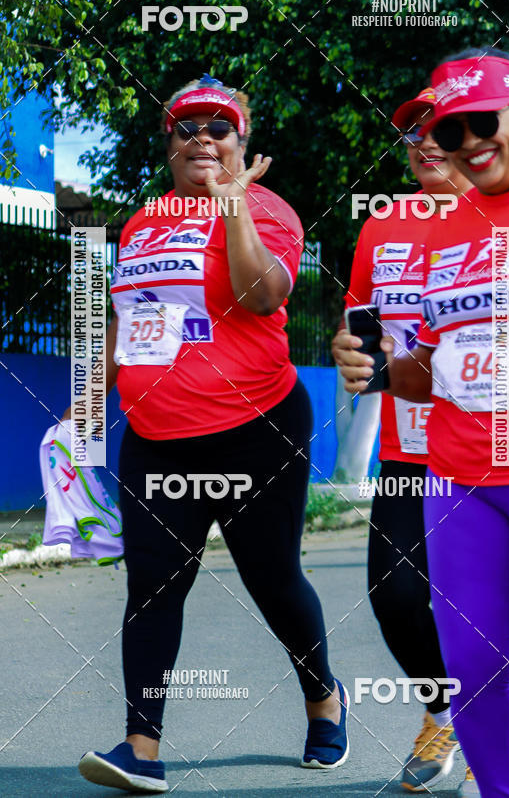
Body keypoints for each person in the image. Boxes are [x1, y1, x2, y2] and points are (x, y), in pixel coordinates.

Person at [335, 47, 509, 798]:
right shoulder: (439, 228)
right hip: (456, 481)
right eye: (449, 135)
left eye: (482, 123)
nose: (466, 145)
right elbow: (429, 369)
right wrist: (380, 370)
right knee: (475, 683)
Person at [75, 74, 349, 793]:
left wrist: (233, 212)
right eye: (188, 125)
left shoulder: (268, 209)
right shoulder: (140, 222)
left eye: (220, 127)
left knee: (273, 579)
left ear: (242, 144)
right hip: (158, 438)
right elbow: (130, 319)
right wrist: (88, 399)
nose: (204, 135)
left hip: (256, 430)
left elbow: (266, 295)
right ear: (168, 142)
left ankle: (324, 698)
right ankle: (142, 747)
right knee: (153, 586)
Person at [333, 88, 480, 797]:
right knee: (394, 594)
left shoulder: (506, 214)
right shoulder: (383, 224)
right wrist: (349, 351)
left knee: (479, 602)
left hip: (493, 448)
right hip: (407, 445)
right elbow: (359, 322)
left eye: (438, 129)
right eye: (413, 132)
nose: (423, 141)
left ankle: (490, 722)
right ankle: (445, 707)